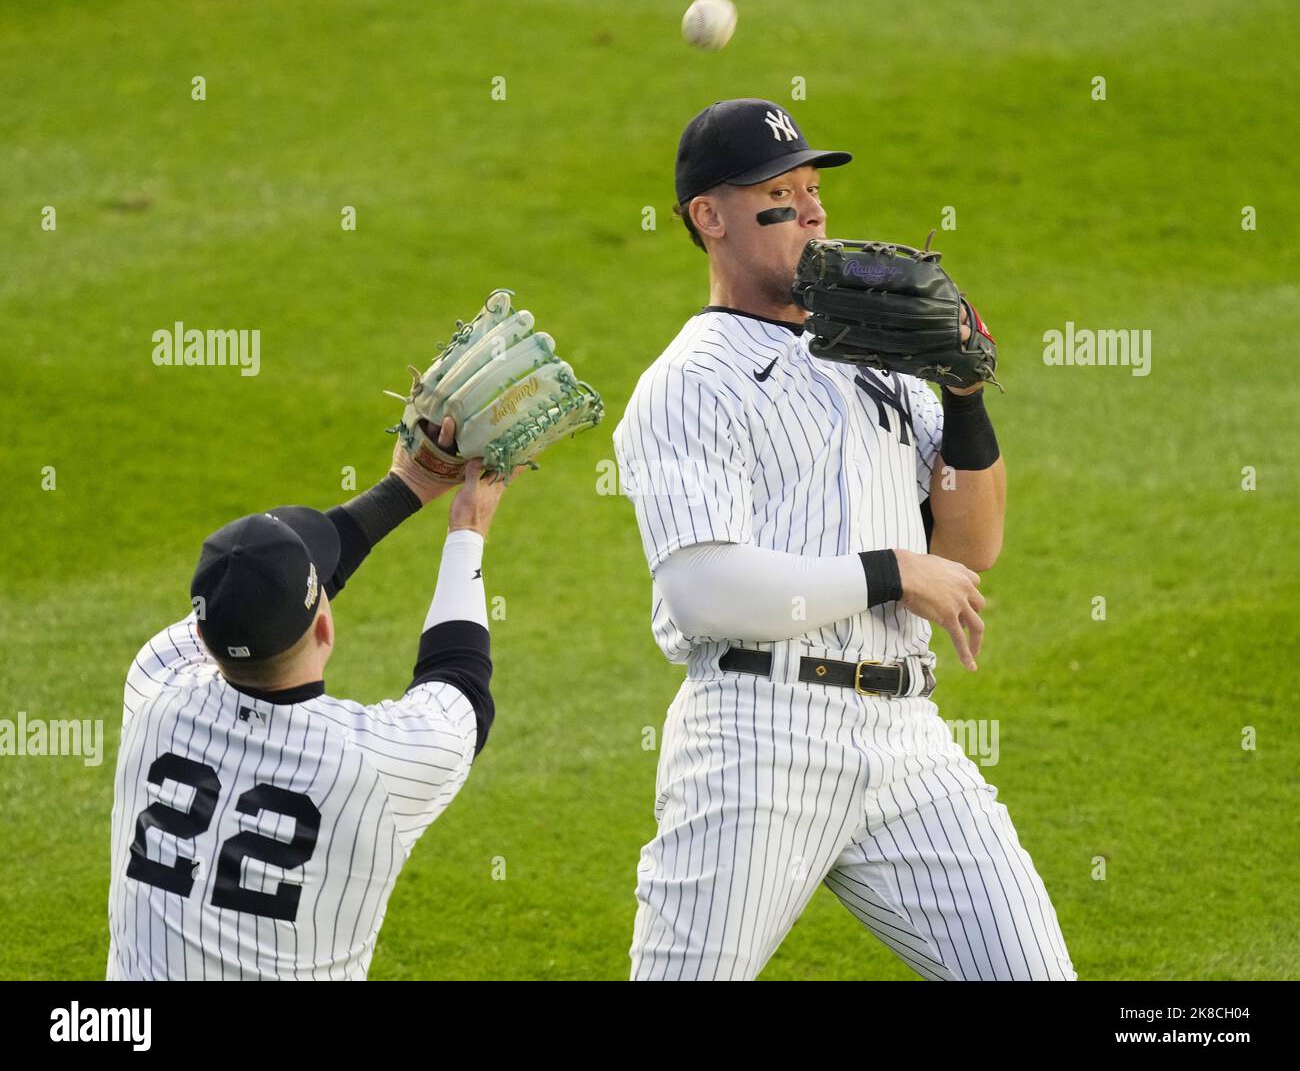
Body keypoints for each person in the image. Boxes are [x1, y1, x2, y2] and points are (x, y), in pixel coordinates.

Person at [612, 98, 1075, 981]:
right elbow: (702, 593)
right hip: (759, 740)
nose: (815, 212)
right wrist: (892, 570)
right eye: (779, 195)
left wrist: (967, 399)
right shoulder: (687, 384)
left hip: (907, 741)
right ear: (709, 219)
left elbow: (970, 544)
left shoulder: (879, 353)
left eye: (814, 190)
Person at [107, 419, 516, 979]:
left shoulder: (156, 683)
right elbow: (461, 681)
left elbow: (455, 679)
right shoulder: (370, 768)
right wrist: (468, 524)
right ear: (325, 629)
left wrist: (409, 484)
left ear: (201, 635)